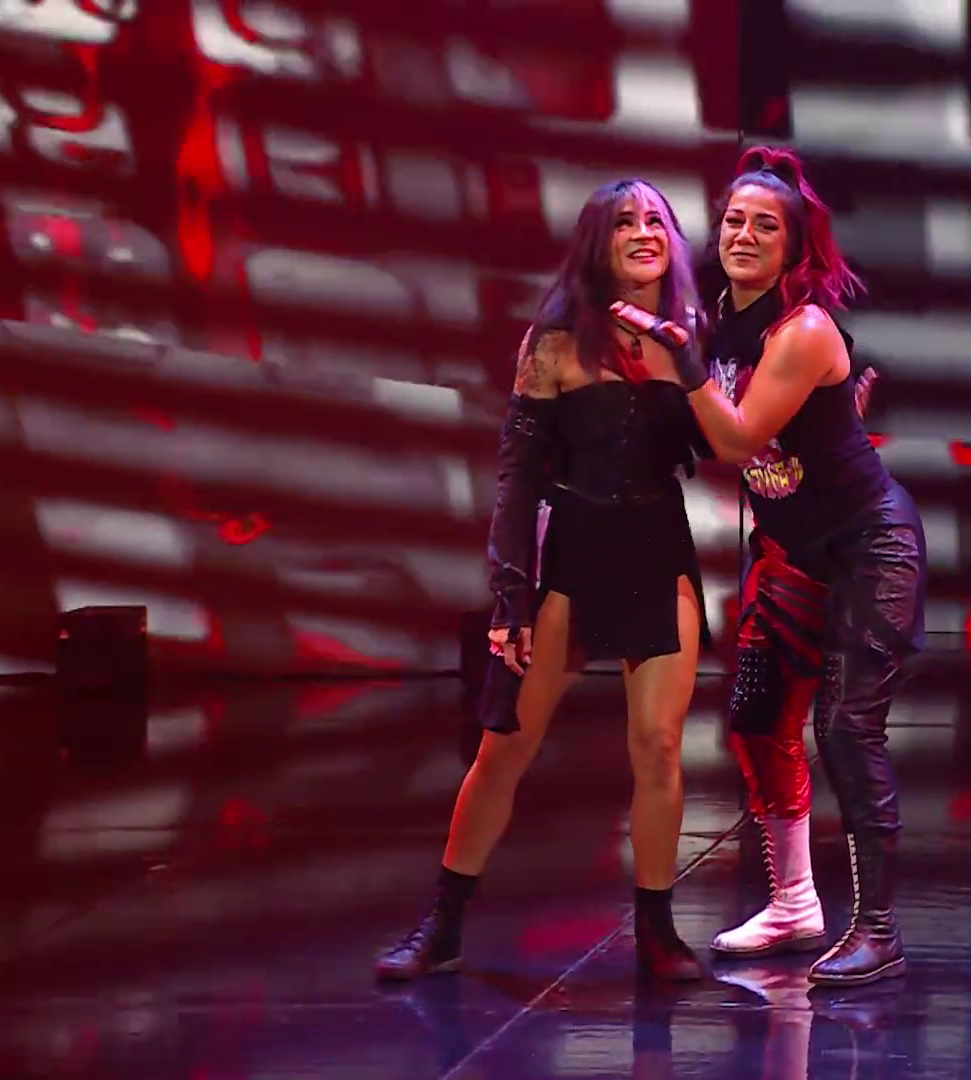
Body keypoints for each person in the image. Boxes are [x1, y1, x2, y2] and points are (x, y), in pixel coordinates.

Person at [374, 178, 712, 983]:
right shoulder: (556, 341)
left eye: (656, 219)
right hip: (575, 550)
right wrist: (510, 593)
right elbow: (519, 476)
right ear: (598, 242)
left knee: (659, 744)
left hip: (658, 546)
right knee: (505, 747)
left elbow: (726, 438)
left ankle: (657, 932)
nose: (644, 231)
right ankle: (444, 923)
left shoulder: (691, 337)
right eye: (624, 222)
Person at [627, 145, 925, 988]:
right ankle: (794, 902)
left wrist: (681, 369)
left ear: (794, 248)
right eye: (733, 221)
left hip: (870, 546)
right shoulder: (714, 319)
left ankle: (878, 931)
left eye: (766, 226)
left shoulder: (804, 330)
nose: (744, 236)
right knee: (759, 716)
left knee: (846, 728)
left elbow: (735, 438)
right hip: (793, 549)